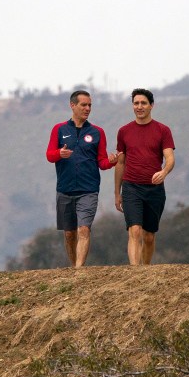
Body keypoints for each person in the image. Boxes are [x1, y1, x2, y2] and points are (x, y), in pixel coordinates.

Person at [46, 90, 119, 267]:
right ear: (72, 105)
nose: (87, 108)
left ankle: (79, 270)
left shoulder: (97, 132)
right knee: (69, 234)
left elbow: (101, 162)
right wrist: (59, 153)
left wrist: (111, 162)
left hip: (88, 190)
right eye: (84, 105)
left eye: (90, 105)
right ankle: (74, 268)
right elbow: (49, 155)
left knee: (84, 229)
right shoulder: (59, 129)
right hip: (64, 189)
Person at [114, 88, 175, 265]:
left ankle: (145, 269)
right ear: (132, 106)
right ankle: (135, 272)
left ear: (151, 105)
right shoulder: (124, 131)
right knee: (134, 230)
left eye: (143, 103)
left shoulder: (163, 130)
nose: (139, 107)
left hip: (154, 189)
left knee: (148, 236)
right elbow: (120, 163)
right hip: (131, 187)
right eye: (136, 103)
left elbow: (170, 158)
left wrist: (163, 172)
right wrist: (117, 193)